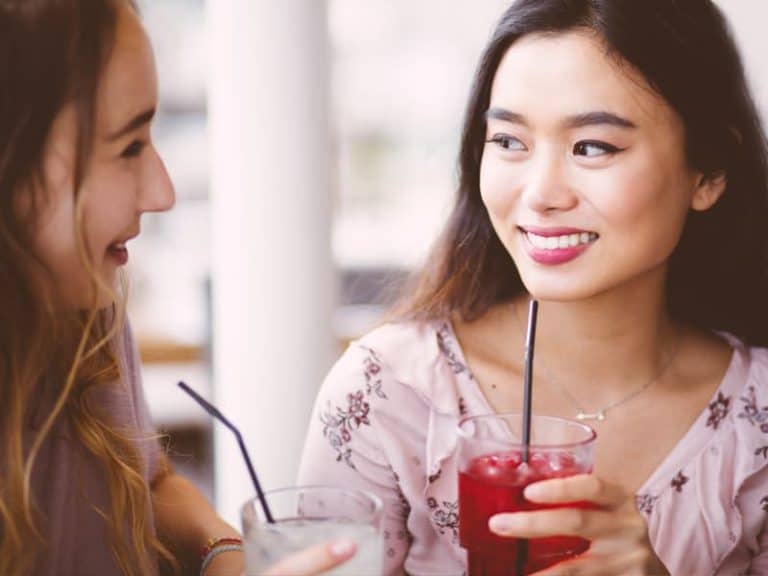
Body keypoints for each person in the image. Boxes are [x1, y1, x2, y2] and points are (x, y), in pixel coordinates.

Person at [298, 0, 768, 574]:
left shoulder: (757, 420)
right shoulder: (389, 392)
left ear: (710, 171)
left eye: (592, 146)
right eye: (509, 142)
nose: (540, 193)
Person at [0, 1, 355, 575]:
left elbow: (147, 480)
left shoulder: (90, 314)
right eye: (128, 147)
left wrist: (224, 551)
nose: (162, 191)